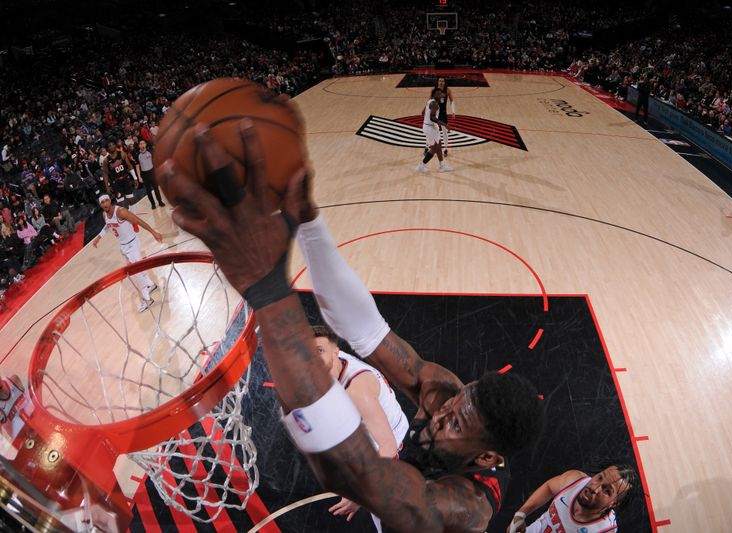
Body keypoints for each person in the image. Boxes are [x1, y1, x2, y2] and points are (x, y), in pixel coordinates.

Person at [162, 119, 543, 533]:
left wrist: (267, 290)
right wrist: (308, 221)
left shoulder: (462, 506)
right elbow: (367, 331)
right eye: (452, 406)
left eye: (453, 423)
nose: (439, 415)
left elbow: (354, 476)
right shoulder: (446, 395)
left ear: (486, 458)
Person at [312, 325, 409, 523]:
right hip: (375, 427)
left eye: (319, 351)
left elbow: (388, 447)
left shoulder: (356, 391)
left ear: (335, 351)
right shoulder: (331, 361)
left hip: (392, 448)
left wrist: (360, 496)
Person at [506, 465, 637, 533]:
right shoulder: (574, 480)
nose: (595, 488)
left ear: (614, 503)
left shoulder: (604, 530)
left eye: (607, 491)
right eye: (599, 478)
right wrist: (521, 514)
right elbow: (549, 488)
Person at [92, 194, 162, 312]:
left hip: (132, 244)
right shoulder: (104, 214)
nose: (105, 204)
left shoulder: (121, 212)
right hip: (124, 246)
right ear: (100, 205)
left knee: (136, 273)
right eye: (102, 202)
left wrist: (154, 232)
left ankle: (146, 299)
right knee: (137, 270)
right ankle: (150, 284)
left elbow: (138, 221)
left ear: (110, 201)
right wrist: (99, 236)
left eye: (106, 201)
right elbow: (108, 226)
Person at [417, 89, 454, 174]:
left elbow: (423, 113)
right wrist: (445, 125)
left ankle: (442, 166)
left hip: (430, 127)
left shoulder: (430, 101)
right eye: (440, 93)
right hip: (430, 128)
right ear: (436, 94)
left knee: (439, 145)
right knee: (434, 148)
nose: (441, 95)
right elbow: (432, 118)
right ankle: (421, 165)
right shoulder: (434, 104)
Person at [102, 141, 136, 208]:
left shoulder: (122, 154)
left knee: (131, 201)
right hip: (116, 183)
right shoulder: (106, 160)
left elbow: (129, 165)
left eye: (113, 144)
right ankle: (126, 217)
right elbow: (105, 174)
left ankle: (133, 215)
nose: (111, 146)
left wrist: (135, 178)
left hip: (125, 179)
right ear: (108, 148)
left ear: (115, 146)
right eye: (109, 145)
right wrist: (107, 187)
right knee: (121, 204)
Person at [135, 140, 166, 210]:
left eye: (143, 143)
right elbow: (137, 167)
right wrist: (139, 177)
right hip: (144, 174)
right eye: (140, 143)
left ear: (145, 144)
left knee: (156, 188)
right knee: (148, 191)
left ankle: (160, 201)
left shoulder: (150, 151)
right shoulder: (137, 155)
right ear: (139, 146)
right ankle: (153, 204)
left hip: (152, 172)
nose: (142, 144)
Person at [431, 78, 455, 157]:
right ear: (437, 82)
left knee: (444, 131)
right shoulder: (434, 89)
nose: (441, 82)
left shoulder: (448, 90)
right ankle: (427, 146)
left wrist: (453, 111)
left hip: (443, 113)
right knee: (432, 130)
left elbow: (452, 101)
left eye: (442, 81)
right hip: (435, 112)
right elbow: (430, 101)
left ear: (444, 82)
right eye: (440, 81)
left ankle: (445, 148)